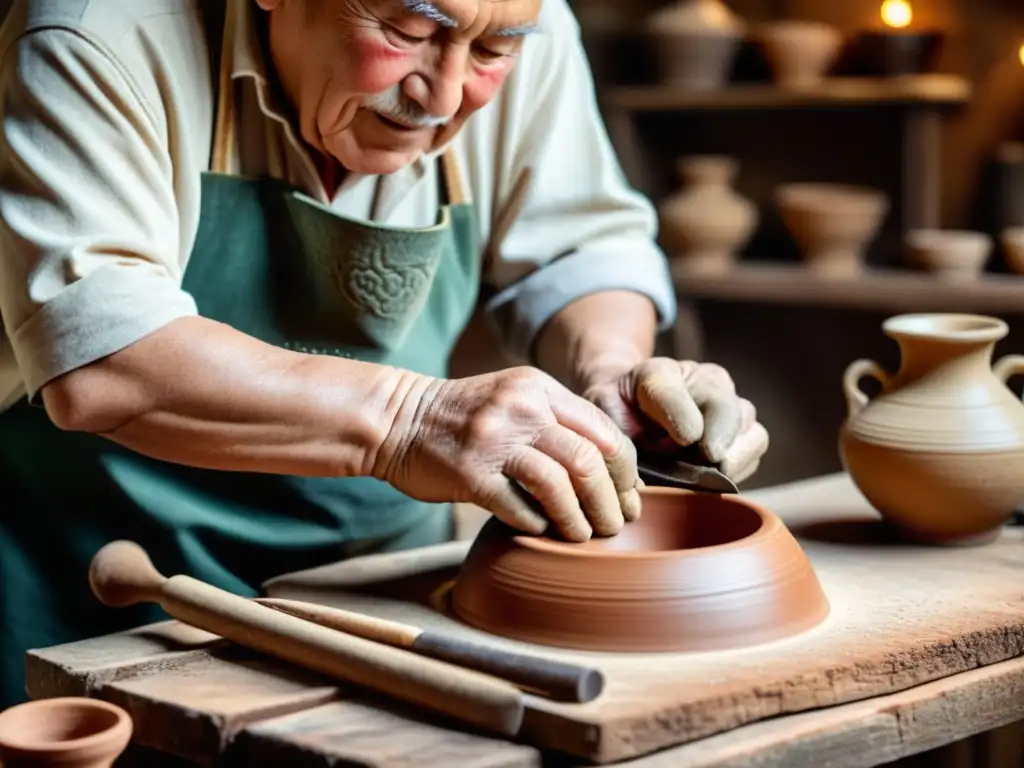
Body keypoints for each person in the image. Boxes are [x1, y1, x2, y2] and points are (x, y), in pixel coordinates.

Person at [0, 0, 770, 708]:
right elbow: (103, 357)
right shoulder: (90, 31)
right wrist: (409, 419)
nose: (442, 96)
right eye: (405, 32)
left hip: (379, 600)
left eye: (493, 50)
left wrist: (611, 373)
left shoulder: (520, 14)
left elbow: (578, 249)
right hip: (99, 590)